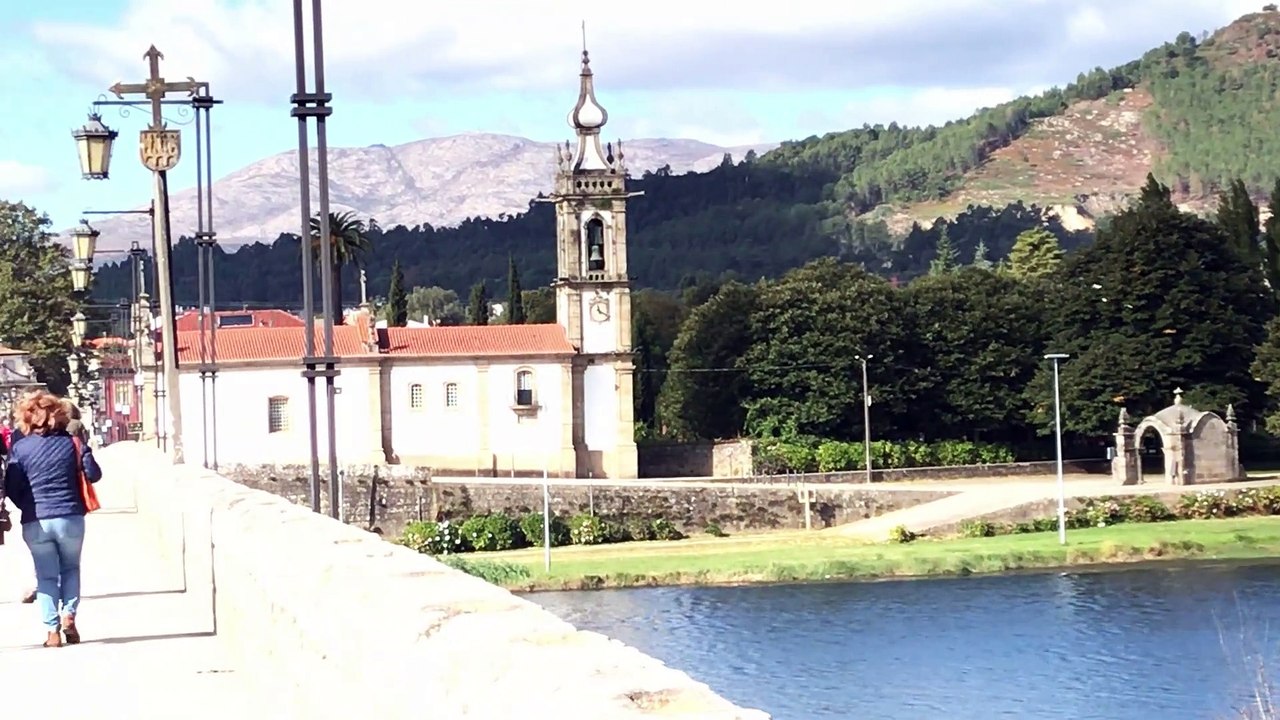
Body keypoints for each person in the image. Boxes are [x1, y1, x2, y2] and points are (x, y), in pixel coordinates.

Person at [0, 391, 102, 648]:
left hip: (36, 521)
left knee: (46, 577)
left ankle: (52, 632)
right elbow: (94, 474)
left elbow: (11, 486)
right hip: (70, 517)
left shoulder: (20, 448)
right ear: (59, 415)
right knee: (70, 568)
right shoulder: (73, 443)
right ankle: (69, 614)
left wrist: (29, 506)